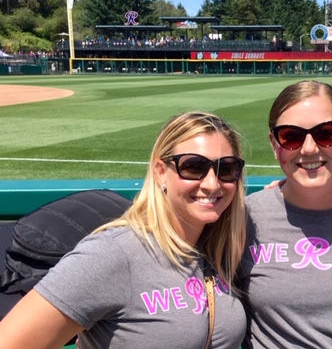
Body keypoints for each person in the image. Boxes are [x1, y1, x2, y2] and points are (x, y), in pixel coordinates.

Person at [0, 111, 248, 349]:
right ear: (161, 172)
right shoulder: (113, 254)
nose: (212, 183)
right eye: (193, 166)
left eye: (226, 168)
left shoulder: (217, 247)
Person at [240, 80, 332, 348]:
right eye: (291, 136)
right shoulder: (244, 219)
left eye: (326, 133)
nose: (309, 148)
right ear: (275, 145)